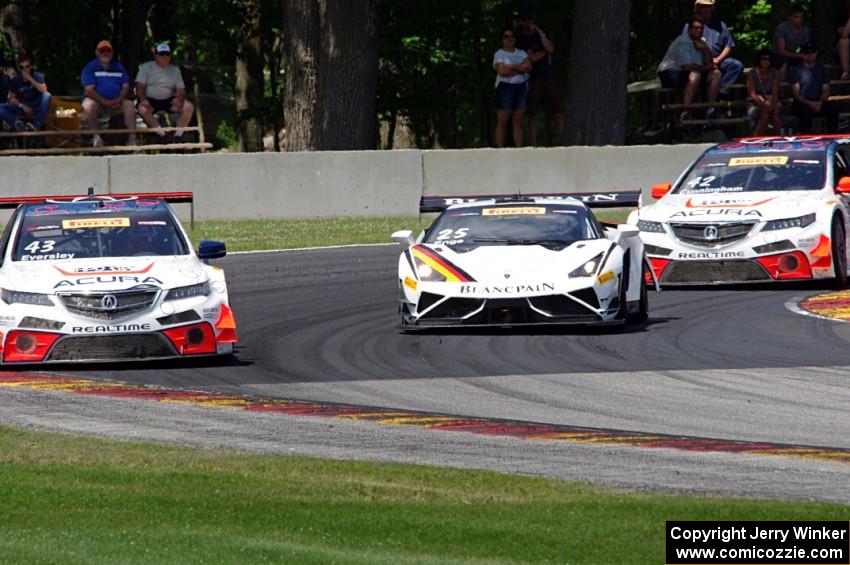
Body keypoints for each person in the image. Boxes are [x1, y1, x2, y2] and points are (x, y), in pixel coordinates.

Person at [515, 8, 564, 146]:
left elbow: (550, 49)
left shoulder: (541, 36)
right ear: (520, 22)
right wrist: (541, 54)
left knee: (558, 110)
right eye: (524, 19)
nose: (528, 22)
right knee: (533, 113)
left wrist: (541, 34)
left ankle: (563, 141)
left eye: (530, 19)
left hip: (548, 77)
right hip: (531, 79)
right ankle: (534, 144)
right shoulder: (519, 39)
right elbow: (527, 58)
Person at [658, 18, 719, 121]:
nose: (699, 30)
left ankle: (710, 108)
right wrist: (706, 67)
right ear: (689, 30)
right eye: (696, 28)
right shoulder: (683, 41)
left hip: (689, 73)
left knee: (716, 73)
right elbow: (687, 66)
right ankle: (686, 110)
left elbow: (710, 63)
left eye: (701, 28)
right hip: (670, 73)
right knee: (695, 75)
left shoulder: (703, 42)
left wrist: (706, 49)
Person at [682, 0, 743, 101]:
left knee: (736, 65)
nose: (706, 9)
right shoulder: (690, 26)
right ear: (698, 8)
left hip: (718, 59)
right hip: (700, 61)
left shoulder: (720, 25)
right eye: (703, 6)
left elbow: (729, 46)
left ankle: (721, 93)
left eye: (709, 6)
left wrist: (718, 59)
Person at [81, 40, 137, 147]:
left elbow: (125, 87)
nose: (106, 53)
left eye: (108, 50)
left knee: (129, 104)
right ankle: (96, 138)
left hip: (116, 102)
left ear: (112, 52)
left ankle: (132, 138)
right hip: (97, 102)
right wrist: (104, 101)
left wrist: (118, 99)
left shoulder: (119, 67)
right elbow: (89, 90)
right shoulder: (90, 67)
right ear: (97, 52)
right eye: (102, 50)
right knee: (89, 106)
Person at [135, 43, 195, 142]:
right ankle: (162, 135)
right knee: (142, 109)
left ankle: (178, 135)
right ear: (156, 56)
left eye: (167, 54)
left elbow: (181, 89)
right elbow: (139, 86)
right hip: (150, 100)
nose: (164, 57)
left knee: (189, 107)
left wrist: (179, 99)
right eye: (161, 54)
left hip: (169, 100)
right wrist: (143, 99)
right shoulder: (146, 67)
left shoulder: (175, 70)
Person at [493, 27, 531, 148]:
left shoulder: (521, 53)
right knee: (503, 120)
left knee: (518, 119)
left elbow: (529, 67)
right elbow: (502, 71)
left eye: (512, 36)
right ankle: (499, 148)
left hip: (521, 86)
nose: (509, 39)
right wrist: (519, 68)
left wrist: (510, 67)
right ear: (502, 39)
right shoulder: (499, 54)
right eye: (506, 36)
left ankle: (519, 148)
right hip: (505, 87)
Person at [791, 42, 839, 134]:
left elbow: (826, 89)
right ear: (803, 54)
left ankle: (832, 136)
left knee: (833, 107)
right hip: (802, 103)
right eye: (807, 52)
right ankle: (805, 138)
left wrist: (820, 102)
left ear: (816, 53)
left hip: (818, 102)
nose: (810, 54)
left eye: (812, 52)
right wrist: (810, 103)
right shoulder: (796, 70)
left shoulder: (822, 69)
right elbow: (796, 93)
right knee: (805, 111)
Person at [0, 54, 51, 131]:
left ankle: (36, 124)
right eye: (22, 67)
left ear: (31, 66)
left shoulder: (37, 76)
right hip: (22, 107)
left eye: (27, 66)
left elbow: (44, 90)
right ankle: (17, 124)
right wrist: (22, 106)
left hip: (36, 107)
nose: (25, 69)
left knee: (47, 95)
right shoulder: (16, 79)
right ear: (19, 68)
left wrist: (29, 78)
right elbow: (11, 99)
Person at [746, 50, 782, 136]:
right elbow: (752, 94)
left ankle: (779, 138)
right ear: (759, 60)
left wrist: (773, 105)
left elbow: (775, 91)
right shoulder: (752, 73)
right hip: (754, 102)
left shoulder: (775, 73)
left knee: (774, 113)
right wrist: (764, 105)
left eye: (768, 59)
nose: (766, 61)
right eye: (763, 59)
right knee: (766, 112)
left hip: (771, 99)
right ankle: (758, 138)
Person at [773, 4, 809, 81]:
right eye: (796, 17)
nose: (799, 19)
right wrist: (799, 56)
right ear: (790, 17)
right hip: (777, 56)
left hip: (793, 55)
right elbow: (781, 51)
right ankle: (782, 87)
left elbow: (805, 48)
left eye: (801, 17)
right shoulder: (782, 28)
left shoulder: (805, 30)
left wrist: (804, 56)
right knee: (784, 60)